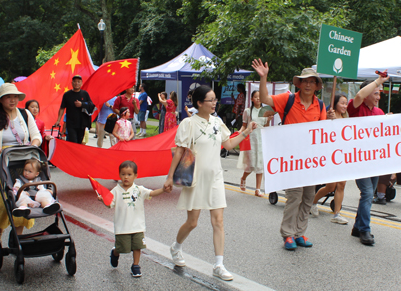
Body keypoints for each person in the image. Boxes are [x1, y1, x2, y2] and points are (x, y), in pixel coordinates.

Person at [165, 85, 256, 281]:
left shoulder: (217, 122)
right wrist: (170, 177)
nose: (215, 103)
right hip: (195, 178)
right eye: (211, 100)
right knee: (193, 222)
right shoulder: (189, 124)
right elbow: (180, 151)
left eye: (215, 99)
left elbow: (229, 144)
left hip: (215, 177)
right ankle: (176, 247)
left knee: (218, 221)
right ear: (199, 103)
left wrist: (246, 131)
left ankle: (218, 265)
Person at [253, 59, 333, 251]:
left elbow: (322, 133)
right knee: (294, 197)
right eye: (305, 81)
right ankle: (288, 234)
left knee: (308, 197)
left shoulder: (320, 106)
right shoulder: (288, 99)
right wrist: (263, 77)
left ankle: (300, 233)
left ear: (316, 86)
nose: (308, 84)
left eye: (312, 81)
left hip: (311, 161)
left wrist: (331, 121)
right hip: (291, 160)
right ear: (299, 83)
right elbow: (265, 100)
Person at [0, 83, 42, 240]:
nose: (12, 100)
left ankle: (17, 237)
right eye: (8, 97)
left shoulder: (25, 114)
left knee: (22, 198)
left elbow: (36, 136)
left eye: (15, 97)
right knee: (3, 200)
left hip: (23, 163)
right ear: (1, 100)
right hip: (2, 163)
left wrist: (32, 147)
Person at [101, 160, 172, 277]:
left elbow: (152, 193)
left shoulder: (139, 189)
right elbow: (109, 204)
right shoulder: (116, 191)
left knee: (137, 246)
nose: (126, 177)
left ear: (135, 176)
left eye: (129, 174)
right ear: (119, 175)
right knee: (122, 248)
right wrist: (102, 199)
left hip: (137, 226)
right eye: (123, 174)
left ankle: (136, 265)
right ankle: (115, 252)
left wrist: (163, 190)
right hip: (122, 227)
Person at [347, 71, 389, 246]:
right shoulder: (356, 108)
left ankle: (357, 226)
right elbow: (358, 95)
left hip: (375, 161)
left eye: (379, 93)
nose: (378, 97)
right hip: (360, 160)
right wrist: (378, 81)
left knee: (369, 194)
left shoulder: (380, 112)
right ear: (366, 95)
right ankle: (365, 230)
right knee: (367, 193)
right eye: (375, 93)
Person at [311, 93, 349, 224]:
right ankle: (313, 202)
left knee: (341, 184)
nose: (345, 105)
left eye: (346, 103)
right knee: (331, 186)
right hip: (330, 155)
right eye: (342, 103)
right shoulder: (329, 116)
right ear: (335, 104)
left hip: (343, 155)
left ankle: (337, 214)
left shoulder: (347, 118)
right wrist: (328, 119)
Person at [237, 90, 273, 197]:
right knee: (251, 164)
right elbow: (244, 125)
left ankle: (257, 189)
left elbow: (266, 127)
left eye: (259, 97)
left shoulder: (266, 110)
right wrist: (240, 132)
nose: (258, 99)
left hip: (261, 139)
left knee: (260, 165)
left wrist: (269, 120)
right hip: (251, 139)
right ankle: (243, 178)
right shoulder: (248, 111)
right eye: (255, 97)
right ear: (252, 99)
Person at [55, 75, 95, 144]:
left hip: (82, 123)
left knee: (79, 142)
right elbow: (62, 108)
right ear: (72, 83)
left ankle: (75, 154)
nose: (76, 83)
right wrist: (58, 120)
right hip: (71, 123)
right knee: (73, 141)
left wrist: (82, 104)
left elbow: (91, 105)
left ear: (81, 83)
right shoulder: (67, 94)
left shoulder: (85, 94)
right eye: (75, 81)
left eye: (78, 82)